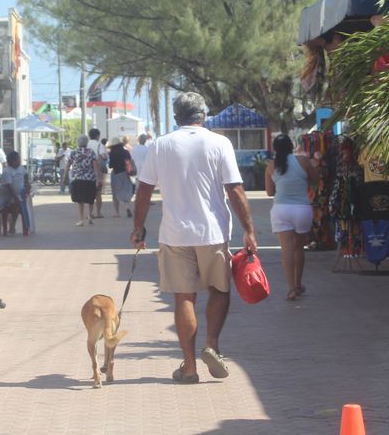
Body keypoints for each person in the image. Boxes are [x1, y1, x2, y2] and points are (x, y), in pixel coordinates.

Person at [132, 92, 257, 384]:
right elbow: (235, 190)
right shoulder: (219, 143)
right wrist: (249, 230)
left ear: (177, 117)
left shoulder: (161, 145)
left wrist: (138, 228)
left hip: (175, 234)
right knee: (219, 290)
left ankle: (189, 367)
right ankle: (211, 345)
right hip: (212, 232)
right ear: (204, 115)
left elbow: (144, 191)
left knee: (184, 297)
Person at [265, 133, 318, 301]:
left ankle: (291, 289)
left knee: (286, 250)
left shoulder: (271, 166)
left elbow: (269, 192)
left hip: (281, 209)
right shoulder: (303, 161)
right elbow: (316, 179)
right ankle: (298, 284)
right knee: (298, 249)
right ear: (291, 146)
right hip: (302, 208)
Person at [68, 134, 101, 226]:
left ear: (78, 143)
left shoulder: (74, 152)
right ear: (86, 143)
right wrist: (98, 177)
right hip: (90, 179)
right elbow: (95, 165)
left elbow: (68, 164)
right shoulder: (91, 152)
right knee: (90, 199)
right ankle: (90, 217)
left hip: (77, 179)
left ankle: (81, 220)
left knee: (80, 200)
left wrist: (65, 177)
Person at [0, 151, 32, 236]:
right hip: (7, 196)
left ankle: (22, 227)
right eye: (18, 160)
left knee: (20, 205)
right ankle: (11, 226)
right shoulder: (7, 172)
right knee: (16, 204)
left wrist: (27, 184)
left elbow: (25, 175)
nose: (20, 161)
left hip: (19, 194)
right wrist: (16, 197)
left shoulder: (21, 168)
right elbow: (9, 187)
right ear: (13, 161)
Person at [107, 137, 135, 218]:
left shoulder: (112, 153)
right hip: (125, 173)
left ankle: (116, 212)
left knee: (115, 193)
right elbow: (129, 161)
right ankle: (127, 207)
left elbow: (110, 165)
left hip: (115, 174)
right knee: (125, 190)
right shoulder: (126, 152)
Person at [87, 129, 108, 218]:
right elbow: (103, 156)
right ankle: (98, 213)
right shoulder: (100, 145)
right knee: (98, 193)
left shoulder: (86, 144)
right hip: (98, 172)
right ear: (97, 136)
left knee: (89, 193)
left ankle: (89, 213)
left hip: (87, 172)